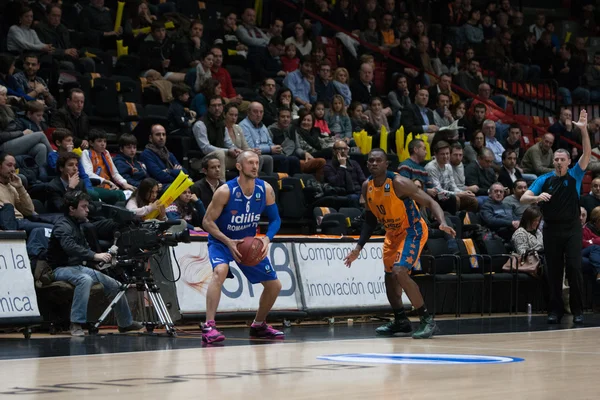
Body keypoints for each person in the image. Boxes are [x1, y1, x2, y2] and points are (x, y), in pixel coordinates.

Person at [344, 148, 455, 339]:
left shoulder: (399, 183)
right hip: (392, 234)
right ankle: (401, 321)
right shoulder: (366, 186)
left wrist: (442, 222)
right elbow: (370, 221)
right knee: (389, 277)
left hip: (413, 230)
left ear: (387, 164)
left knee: (400, 271)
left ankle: (427, 320)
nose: (374, 164)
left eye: (379, 160)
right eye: (371, 161)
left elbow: (430, 202)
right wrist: (358, 248)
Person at [201, 151, 284, 343]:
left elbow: (275, 219)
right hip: (222, 241)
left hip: (247, 243)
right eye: (250, 163)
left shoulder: (265, 189)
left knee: (274, 286)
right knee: (220, 271)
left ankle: (259, 325)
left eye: (257, 163)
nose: (255, 166)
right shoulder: (225, 191)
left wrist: (266, 239)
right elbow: (207, 222)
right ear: (239, 166)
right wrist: (228, 241)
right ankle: (209, 326)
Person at [521, 109, 590, 325]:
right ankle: (555, 310)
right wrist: (536, 197)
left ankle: (578, 310)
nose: (559, 162)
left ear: (569, 161)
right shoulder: (544, 179)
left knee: (574, 268)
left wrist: (584, 130)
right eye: (556, 159)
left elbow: (587, 153)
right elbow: (523, 197)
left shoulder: (575, 174)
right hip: (551, 229)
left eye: (562, 159)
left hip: (571, 228)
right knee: (553, 271)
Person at [47, 191, 143, 336]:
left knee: (116, 285)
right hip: (59, 269)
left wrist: (99, 260)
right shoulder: (62, 226)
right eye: (83, 207)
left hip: (78, 267)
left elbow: (84, 248)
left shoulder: (78, 224)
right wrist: (95, 255)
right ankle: (76, 323)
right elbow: (70, 247)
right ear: (72, 209)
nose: (87, 210)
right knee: (84, 279)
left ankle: (125, 323)